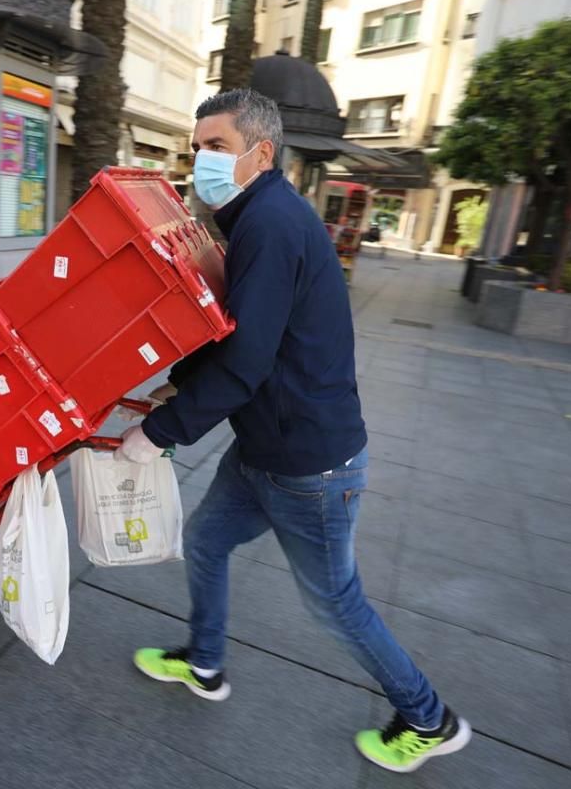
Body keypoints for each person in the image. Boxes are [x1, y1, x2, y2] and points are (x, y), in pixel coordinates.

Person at [115, 88, 471, 774]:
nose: (200, 161)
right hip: (267, 448)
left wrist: (161, 431)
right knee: (209, 540)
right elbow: (251, 340)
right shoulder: (259, 216)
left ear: (261, 153)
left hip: (309, 465)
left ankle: (429, 717)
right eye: (197, 148)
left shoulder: (271, 225)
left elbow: (247, 361)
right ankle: (206, 662)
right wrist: (184, 384)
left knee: (336, 603)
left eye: (215, 147)